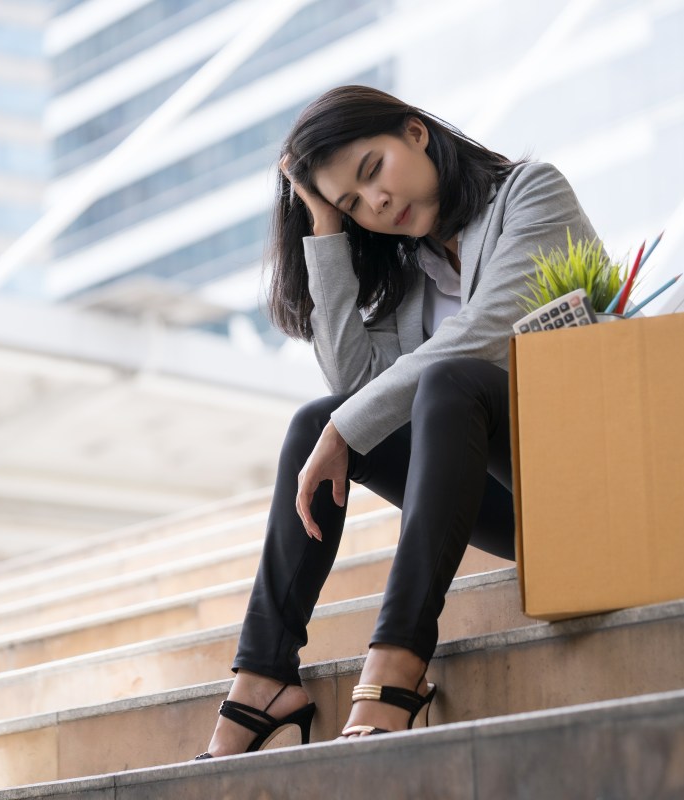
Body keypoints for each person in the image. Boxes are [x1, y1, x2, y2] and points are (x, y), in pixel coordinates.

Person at [197, 85, 603, 758]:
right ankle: (264, 677)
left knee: (443, 380)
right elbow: (358, 392)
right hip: (507, 503)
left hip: (587, 477)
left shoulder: (533, 193)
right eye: (354, 203)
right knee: (316, 420)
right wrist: (324, 230)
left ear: (415, 134)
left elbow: (486, 333)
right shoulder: (411, 271)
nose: (376, 204)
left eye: (371, 171)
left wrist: (345, 428)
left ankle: (398, 656)